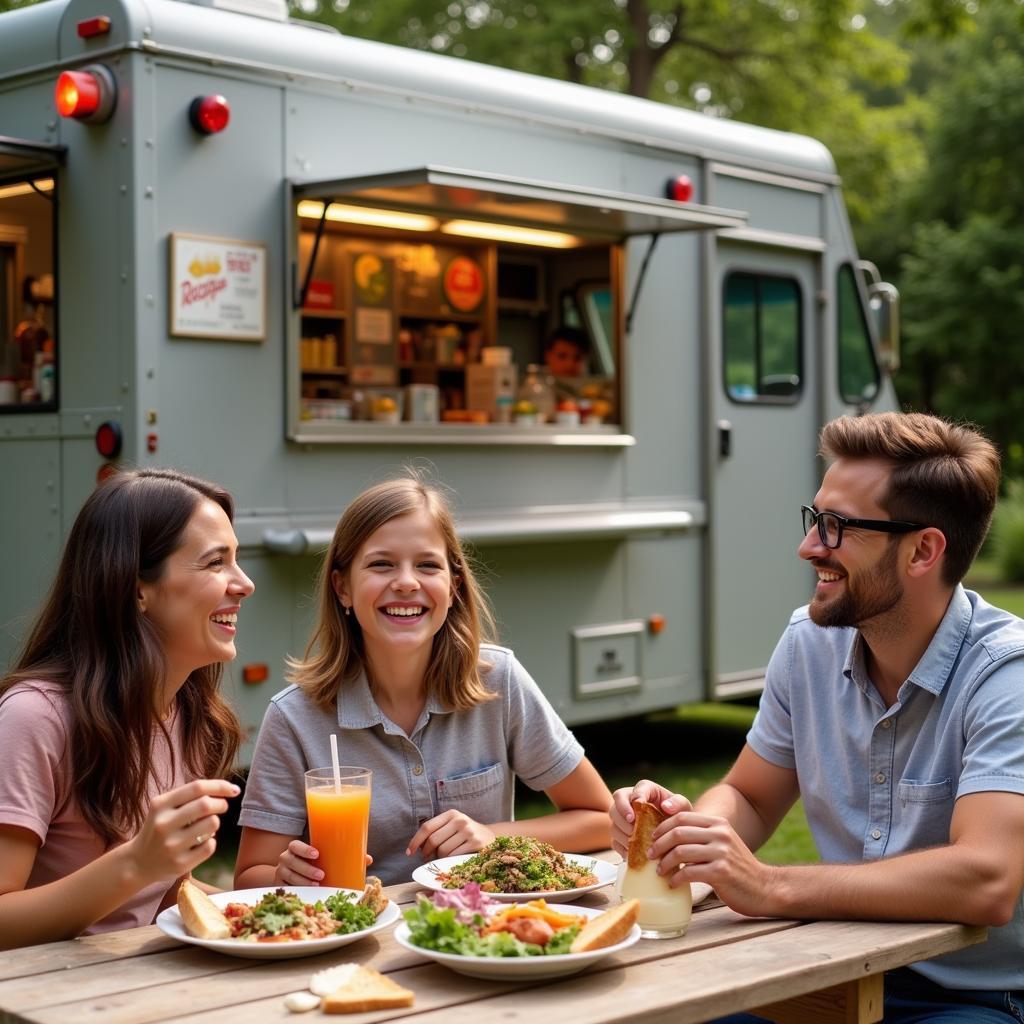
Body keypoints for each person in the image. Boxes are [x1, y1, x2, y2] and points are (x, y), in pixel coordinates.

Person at [611, 412, 1024, 1023]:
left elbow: (985, 879)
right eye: (814, 520)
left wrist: (768, 886)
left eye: (836, 528)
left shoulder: (1006, 675)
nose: (809, 547)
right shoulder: (809, 642)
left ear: (923, 550)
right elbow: (749, 797)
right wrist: (688, 835)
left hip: (973, 998)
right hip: (823, 967)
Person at [235, 475, 612, 887]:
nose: (407, 582)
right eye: (381, 564)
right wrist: (285, 875)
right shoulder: (293, 716)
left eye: (428, 565)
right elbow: (251, 875)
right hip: (357, 932)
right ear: (342, 587)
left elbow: (599, 817)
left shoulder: (498, 680)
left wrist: (493, 837)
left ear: (453, 587)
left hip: (479, 929)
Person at [0, 468, 254, 950]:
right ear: (137, 588)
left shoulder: (190, 713)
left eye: (236, 560)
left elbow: (160, 895)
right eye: (216, 563)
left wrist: (272, 913)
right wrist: (136, 862)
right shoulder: (34, 718)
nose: (244, 584)